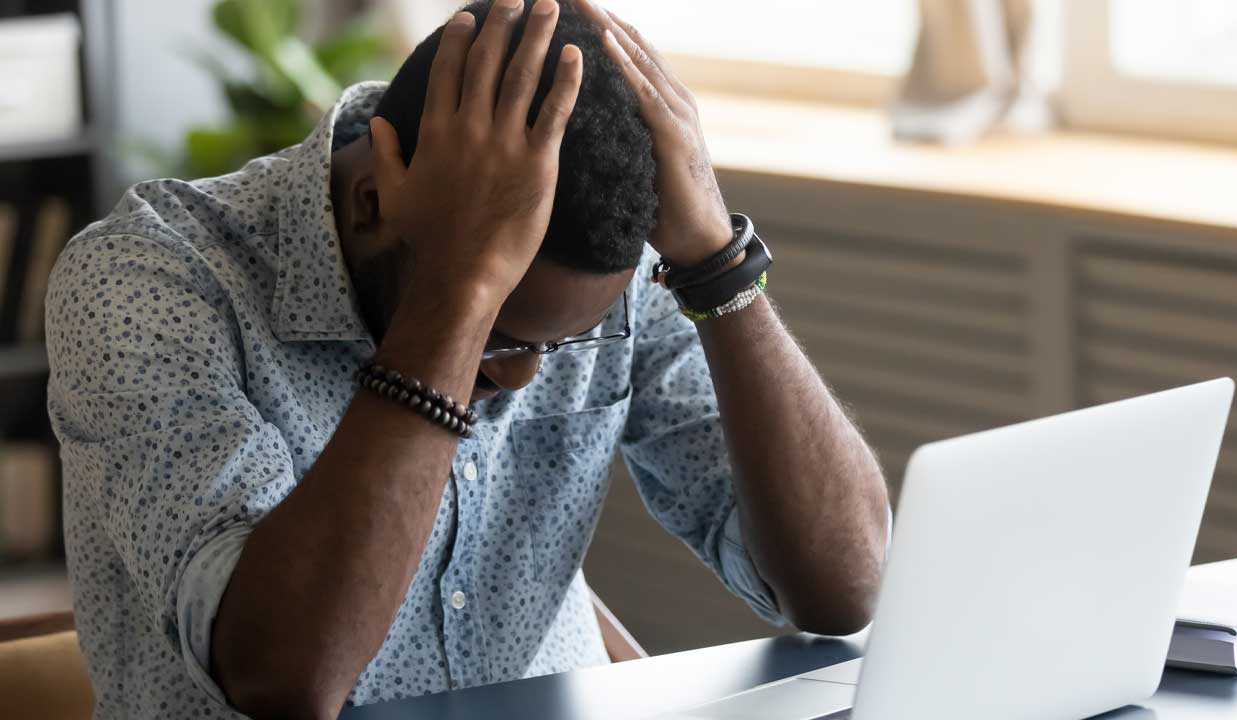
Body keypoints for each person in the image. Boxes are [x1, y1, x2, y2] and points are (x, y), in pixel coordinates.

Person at [45, 0, 890, 717]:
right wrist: (458, 296)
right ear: (372, 202)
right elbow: (284, 678)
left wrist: (718, 269)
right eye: (503, 338)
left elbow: (845, 588)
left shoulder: (602, 262)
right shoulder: (147, 280)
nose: (524, 376)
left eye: (557, 343)